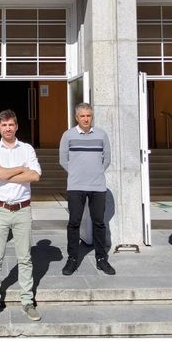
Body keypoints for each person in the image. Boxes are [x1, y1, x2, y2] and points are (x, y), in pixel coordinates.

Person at [0, 110, 41, 324]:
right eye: (4, 124)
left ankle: (27, 301)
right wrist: (19, 169)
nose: (7, 128)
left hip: (23, 209)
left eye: (11, 124)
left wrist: (5, 172)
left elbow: (35, 176)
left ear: (17, 126)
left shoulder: (26, 149)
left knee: (24, 258)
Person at [58, 102, 116, 276]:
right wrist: (77, 173)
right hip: (76, 186)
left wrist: (96, 172)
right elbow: (63, 159)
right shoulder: (67, 135)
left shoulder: (101, 135)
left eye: (88, 115)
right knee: (74, 223)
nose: (85, 119)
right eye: (82, 116)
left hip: (97, 186)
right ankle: (72, 259)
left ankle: (101, 259)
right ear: (76, 117)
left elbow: (107, 159)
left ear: (92, 117)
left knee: (99, 223)